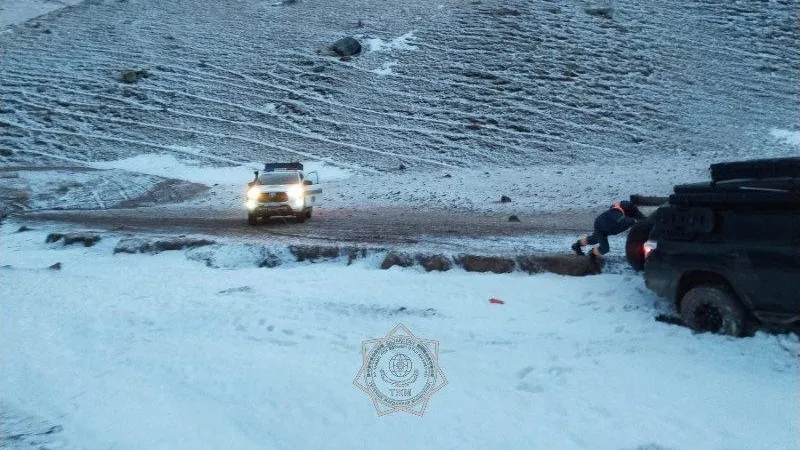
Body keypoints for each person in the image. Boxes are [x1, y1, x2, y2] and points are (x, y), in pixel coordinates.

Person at [572, 200, 646, 259]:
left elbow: (643, 218)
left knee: (593, 240)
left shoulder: (631, 210)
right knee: (604, 249)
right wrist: (633, 222)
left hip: (607, 229)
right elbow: (622, 219)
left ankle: (576, 246)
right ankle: (591, 254)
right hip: (600, 227)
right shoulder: (615, 212)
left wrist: (650, 222)